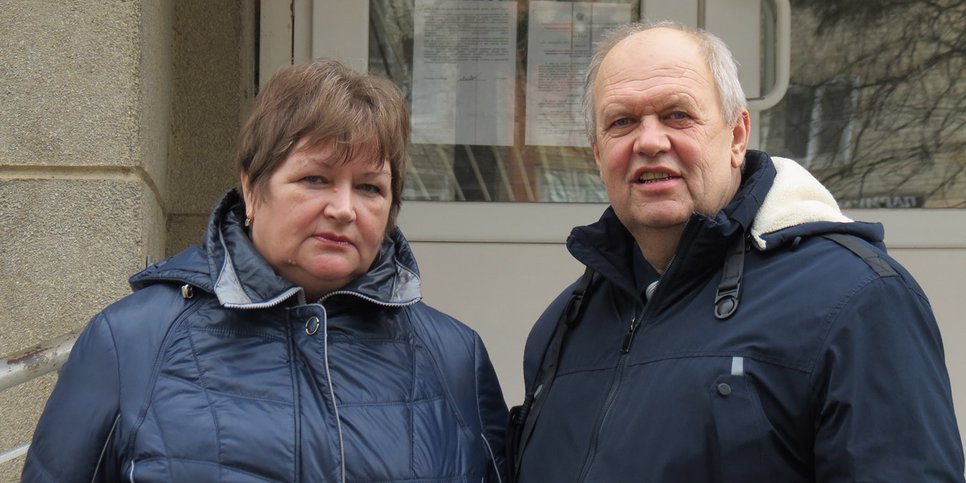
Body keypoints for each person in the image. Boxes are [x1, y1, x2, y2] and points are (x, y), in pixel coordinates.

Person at [509, 20, 965, 482]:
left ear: (737, 136)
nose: (648, 141)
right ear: (597, 153)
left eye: (677, 115)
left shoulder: (858, 300)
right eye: (622, 122)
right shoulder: (566, 323)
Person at [23, 58, 507, 482]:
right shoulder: (132, 342)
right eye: (315, 179)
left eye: (369, 188)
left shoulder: (454, 357)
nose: (344, 208)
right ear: (252, 190)